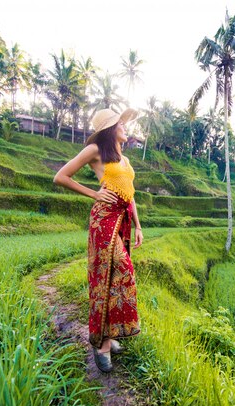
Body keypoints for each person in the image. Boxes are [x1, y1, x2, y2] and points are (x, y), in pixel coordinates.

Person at [53, 108, 142, 373]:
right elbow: (61, 177)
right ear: (109, 129)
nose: (125, 127)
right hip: (104, 220)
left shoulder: (124, 160)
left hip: (122, 221)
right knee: (111, 275)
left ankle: (110, 335)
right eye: (120, 124)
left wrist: (138, 225)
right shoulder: (95, 150)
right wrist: (94, 194)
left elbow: (130, 194)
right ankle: (101, 345)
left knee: (118, 275)